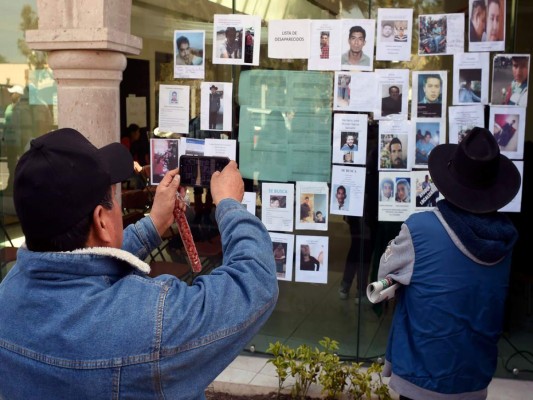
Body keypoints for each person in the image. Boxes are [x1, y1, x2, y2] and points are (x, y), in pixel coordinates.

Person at [0, 127, 278, 398]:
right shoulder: (153, 323)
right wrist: (229, 204)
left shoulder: (9, 292)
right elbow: (254, 283)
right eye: (114, 199)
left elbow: (85, 263)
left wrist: (153, 224)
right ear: (101, 220)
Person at [375, 127, 521, 400]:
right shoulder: (506, 239)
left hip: (421, 376)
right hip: (475, 378)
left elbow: (385, 273)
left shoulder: (420, 229)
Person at [1, 84, 32, 195]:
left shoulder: (23, 109)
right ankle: (11, 186)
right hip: (10, 141)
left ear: (18, 95)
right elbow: (7, 124)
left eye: (12, 93)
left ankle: (17, 187)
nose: (10, 95)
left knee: (18, 164)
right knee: (10, 164)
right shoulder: (10, 107)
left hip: (18, 142)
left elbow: (25, 127)